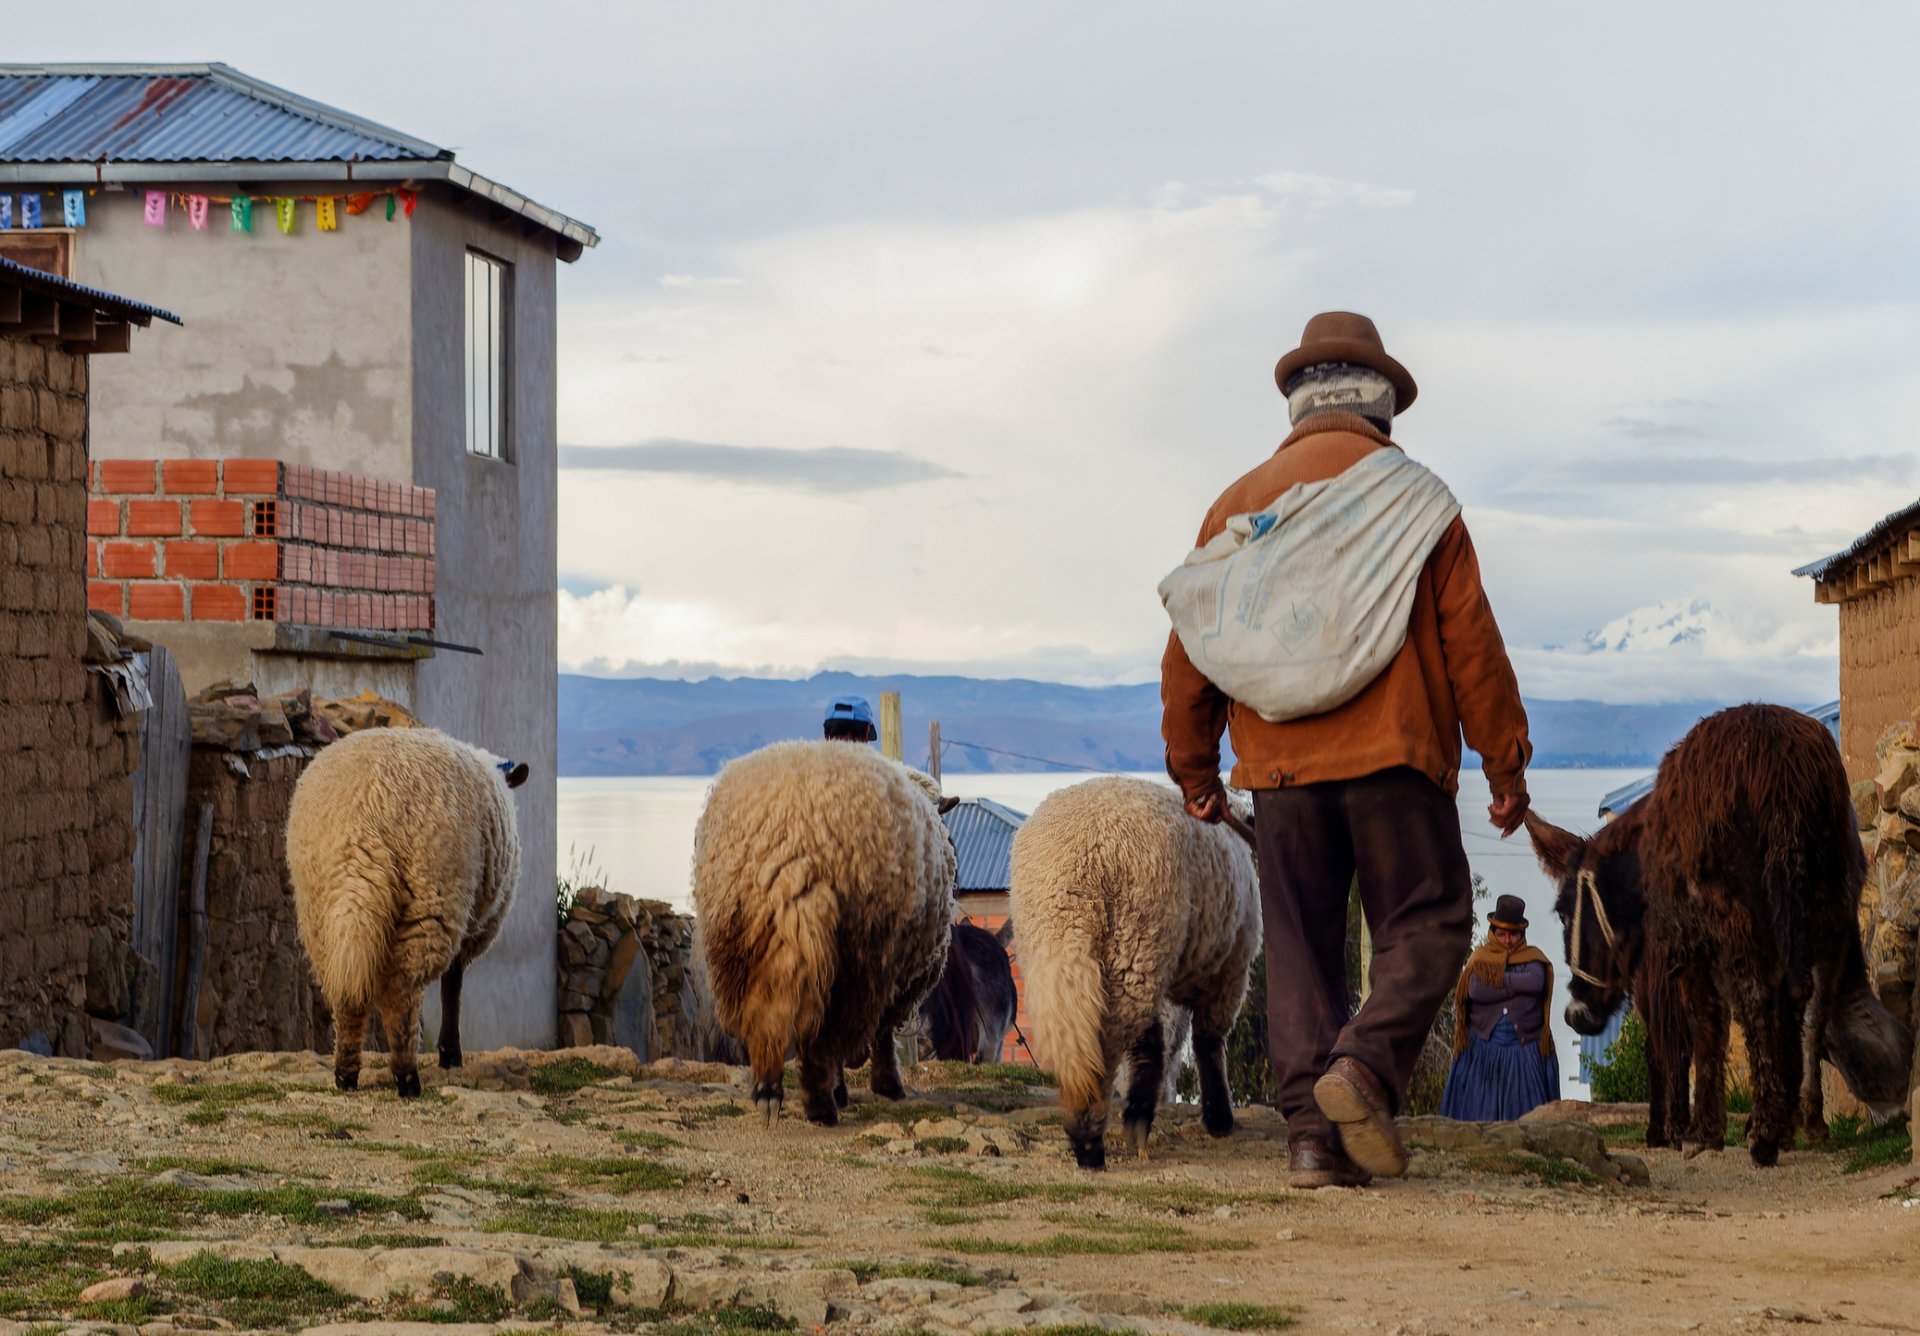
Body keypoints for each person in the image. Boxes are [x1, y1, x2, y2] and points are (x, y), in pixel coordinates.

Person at [1159, 311, 1532, 1189]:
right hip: (1395, 762)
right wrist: (1504, 767)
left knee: (1300, 947)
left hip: (1282, 775)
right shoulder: (1417, 502)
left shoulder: (1238, 503)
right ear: (1381, 405)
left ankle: (1309, 1144)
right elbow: (1471, 643)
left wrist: (1196, 768)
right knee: (1432, 921)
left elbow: (1191, 646)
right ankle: (1361, 1068)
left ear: (1298, 400)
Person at [1439, 895, 1558, 1121]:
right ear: (1493, 932)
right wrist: (1516, 984)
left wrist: (1497, 980)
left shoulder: (1533, 958)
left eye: (1513, 934)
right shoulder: (1480, 958)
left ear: (1522, 935)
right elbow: (1475, 989)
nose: (1507, 940)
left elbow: (1535, 982)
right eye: (1501, 934)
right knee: (1478, 1121)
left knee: (1529, 1122)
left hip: (1524, 1049)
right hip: (1483, 1050)